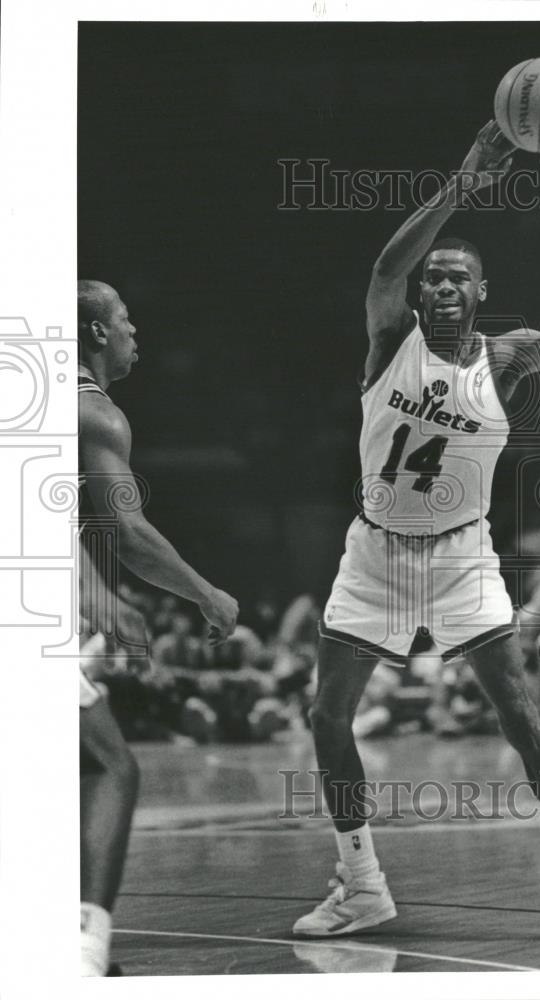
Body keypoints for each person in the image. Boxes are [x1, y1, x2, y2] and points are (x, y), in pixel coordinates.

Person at [292, 121, 540, 943]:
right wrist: (466, 180)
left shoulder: (504, 360)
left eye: (455, 278)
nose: (436, 285)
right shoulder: (386, 341)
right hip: (375, 552)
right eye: (431, 277)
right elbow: (384, 266)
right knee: (327, 718)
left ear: (479, 291)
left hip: (461, 555)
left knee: (519, 717)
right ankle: (362, 884)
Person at [77, 280, 239, 975]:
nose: (134, 330)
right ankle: (83, 953)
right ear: (94, 334)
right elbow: (130, 533)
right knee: (109, 766)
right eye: (123, 319)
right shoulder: (93, 414)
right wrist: (207, 595)